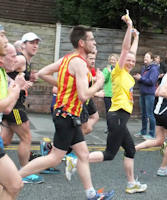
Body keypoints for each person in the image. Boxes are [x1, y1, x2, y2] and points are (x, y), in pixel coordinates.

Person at [18, 25, 114, 200]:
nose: (94, 42)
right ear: (82, 43)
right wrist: (99, 83)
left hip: (69, 115)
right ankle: (14, 178)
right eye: (91, 39)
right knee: (55, 158)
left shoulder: (68, 58)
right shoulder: (79, 63)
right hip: (67, 116)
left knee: (83, 155)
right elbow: (84, 95)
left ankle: (91, 194)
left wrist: (62, 86)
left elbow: (42, 73)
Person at [75, 14, 147, 194]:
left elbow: (132, 52)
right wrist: (130, 27)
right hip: (117, 115)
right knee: (109, 154)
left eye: (132, 60)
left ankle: (131, 184)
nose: (131, 61)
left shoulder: (129, 75)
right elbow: (125, 50)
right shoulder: (118, 71)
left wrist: (137, 38)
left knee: (130, 149)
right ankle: (77, 161)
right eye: (128, 59)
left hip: (121, 117)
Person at [1, 32, 43, 184]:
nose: (35, 45)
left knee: (5, 140)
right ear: (23, 44)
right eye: (31, 42)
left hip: (11, 102)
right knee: (26, 138)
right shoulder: (20, 59)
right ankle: (24, 171)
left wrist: (27, 80)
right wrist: (15, 84)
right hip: (15, 106)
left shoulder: (25, 61)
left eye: (37, 43)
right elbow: (3, 71)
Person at [135, 53, 167, 177]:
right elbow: (162, 92)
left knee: (159, 141)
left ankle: (133, 148)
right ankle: (163, 168)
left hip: (160, 111)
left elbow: (157, 91)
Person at [0, 26, 26, 200]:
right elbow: (6, 107)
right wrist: (15, 93)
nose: (16, 59)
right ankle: (26, 167)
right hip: (16, 110)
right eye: (2, 36)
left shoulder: (3, 73)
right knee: (15, 184)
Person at [133, 51, 160, 139]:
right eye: (144, 56)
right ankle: (143, 132)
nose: (145, 58)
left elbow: (152, 81)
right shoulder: (144, 68)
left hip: (149, 94)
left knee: (150, 114)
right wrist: (139, 78)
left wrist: (141, 78)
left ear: (151, 59)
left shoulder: (154, 69)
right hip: (143, 93)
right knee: (143, 114)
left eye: (147, 57)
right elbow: (144, 79)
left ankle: (152, 134)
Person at [101, 53, 119, 134]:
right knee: (109, 112)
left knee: (116, 112)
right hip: (108, 94)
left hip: (116, 94)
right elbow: (104, 80)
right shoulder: (105, 69)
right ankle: (109, 128)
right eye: (111, 59)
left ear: (117, 60)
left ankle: (115, 128)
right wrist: (108, 72)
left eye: (114, 59)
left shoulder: (119, 70)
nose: (112, 61)